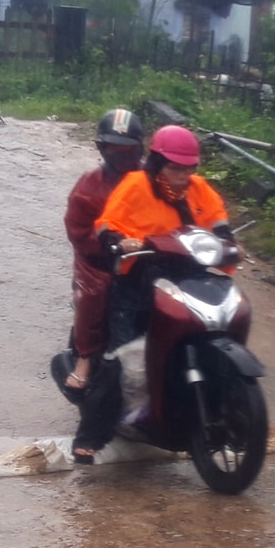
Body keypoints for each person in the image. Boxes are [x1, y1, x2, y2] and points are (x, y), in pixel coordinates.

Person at [71, 124, 234, 462]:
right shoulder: (135, 186)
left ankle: (215, 411)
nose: (182, 175)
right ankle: (90, 434)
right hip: (138, 278)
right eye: (175, 167)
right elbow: (106, 225)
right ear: (157, 163)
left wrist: (229, 241)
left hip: (186, 276)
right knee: (125, 357)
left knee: (209, 331)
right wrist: (117, 241)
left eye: (188, 168)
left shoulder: (199, 189)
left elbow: (218, 220)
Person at [62, 108, 144, 395]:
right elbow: (78, 230)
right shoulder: (88, 186)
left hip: (147, 258)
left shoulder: (153, 182)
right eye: (113, 146)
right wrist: (109, 247)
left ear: (139, 148)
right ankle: (85, 356)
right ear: (101, 148)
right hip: (100, 260)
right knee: (95, 293)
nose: (121, 153)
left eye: (127, 147)